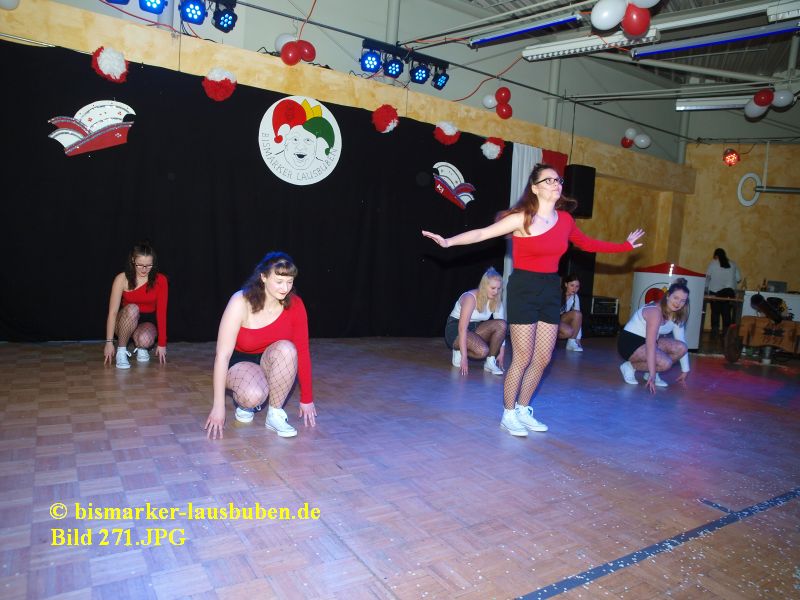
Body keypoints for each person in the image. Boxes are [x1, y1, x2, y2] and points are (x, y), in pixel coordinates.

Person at [423, 163, 644, 436]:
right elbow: (482, 233)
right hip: (524, 288)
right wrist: (448, 242)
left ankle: (523, 408)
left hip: (550, 288)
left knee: (543, 357)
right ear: (535, 188)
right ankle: (508, 414)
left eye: (558, 180)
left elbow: (588, 243)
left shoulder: (566, 220)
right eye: (548, 180)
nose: (556, 183)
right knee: (522, 357)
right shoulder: (521, 218)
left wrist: (624, 246)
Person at [204, 252, 316, 440]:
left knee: (288, 349)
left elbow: (303, 352)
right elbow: (222, 355)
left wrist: (307, 399)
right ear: (263, 277)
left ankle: (275, 414)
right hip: (240, 362)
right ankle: (245, 405)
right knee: (253, 395)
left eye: (289, 281)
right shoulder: (240, 301)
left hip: (269, 360)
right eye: (279, 281)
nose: (285, 288)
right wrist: (218, 407)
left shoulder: (295, 305)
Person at [618, 278, 691, 393]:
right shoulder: (655, 312)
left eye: (683, 300)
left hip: (649, 342)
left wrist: (685, 369)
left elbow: (681, 340)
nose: (678, 303)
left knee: (682, 347)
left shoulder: (677, 315)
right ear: (668, 296)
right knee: (665, 363)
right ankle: (630, 366)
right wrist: (653, 373)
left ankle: (649, 372)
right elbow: (650, 345)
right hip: (630, 343)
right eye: (675, 298)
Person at [104, 242, 168, 369]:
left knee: (145, 339)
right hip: (125, 320)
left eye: (148, 265)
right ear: (133, 261)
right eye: (140, 265)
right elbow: (112, 312)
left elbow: (162, 313)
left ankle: (141, 347)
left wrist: (162, 344)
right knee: (133, 308)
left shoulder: (161, 280)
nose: (144, 269)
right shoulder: (121, 279)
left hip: (146, 322)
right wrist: (109, 342)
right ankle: (121, 351)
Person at [445, 267, 507, 376]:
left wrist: (501, 352)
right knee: (482, 351)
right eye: (493, 288)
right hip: (456, 329)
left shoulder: (496, 300)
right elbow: (462, 329)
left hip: (475, 328)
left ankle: (490, 362)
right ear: (484, 286)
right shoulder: (470, 298)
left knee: (502, 324)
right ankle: (459, 351)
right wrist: (464, 357)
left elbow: (501, 327)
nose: (496, 292)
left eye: (498, 288)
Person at [705, 248, 741, 337]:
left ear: (715, 256)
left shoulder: (713, 263)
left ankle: (714, 333)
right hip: (729, 293)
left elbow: (707, 277)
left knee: (715, 313)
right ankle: (726, 334)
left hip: (715, 292)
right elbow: (738, 279)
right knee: (726, 313)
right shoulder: (733, 264)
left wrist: (706, 289)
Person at [558, 273, 584, 352]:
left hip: (561, 319)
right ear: (566, 284)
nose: (574, 289)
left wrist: (578, 340)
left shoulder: (575, 297)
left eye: (577, 286)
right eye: (572, 285)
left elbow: (578, 320)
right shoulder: (558, 293)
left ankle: (571, 343)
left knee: (577, 314)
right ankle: (546, 337)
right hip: (551, 319)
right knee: (567, 332)